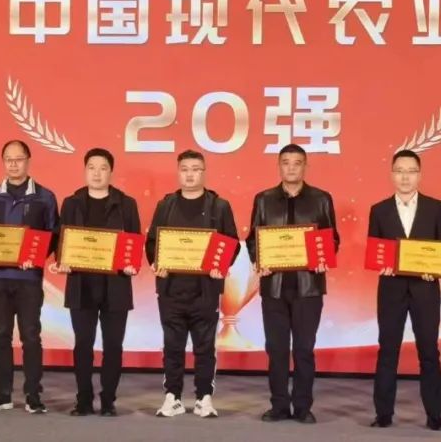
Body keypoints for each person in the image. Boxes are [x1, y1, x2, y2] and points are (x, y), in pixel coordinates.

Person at [247, 144, 340, 424]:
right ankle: (278, 405)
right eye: (286, 162)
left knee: (303, 349)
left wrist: (324, 258)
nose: (291, 168)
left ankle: (302, 406)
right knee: (276, 349)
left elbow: (332, 238)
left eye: (297, 163)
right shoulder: (263, 199)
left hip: (308, 287)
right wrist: (259, 259)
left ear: (304, 166)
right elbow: (253, 239)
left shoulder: (321, 199)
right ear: (279, 166)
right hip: (274, 287)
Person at [145, 150, 240, 418]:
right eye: (185, 169)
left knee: (205, 346)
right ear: (178, 172)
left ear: (204, 172)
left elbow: (232, 244)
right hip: (171, 289)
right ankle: (172, 396)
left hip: (205, 290)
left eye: (196, 169)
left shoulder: (219, 206)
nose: (190, 174)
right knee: (172, 346)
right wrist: (157, 263)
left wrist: (220, 266)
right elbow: (152, 242)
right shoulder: (166, 205)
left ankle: (204, 397)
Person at [49, 148, 140, 417]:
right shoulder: (72, 203)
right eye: (91, 167)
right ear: (85, 170)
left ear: (111, 172)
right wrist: (62, 260)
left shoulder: (126, 204)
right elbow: (61, 239)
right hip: (82, 285)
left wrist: (131, 263)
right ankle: (83, 400)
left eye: (103, 168)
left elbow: (134, 241)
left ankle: (108, 400)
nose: (97, 173)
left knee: (113, 346)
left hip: (116, 286)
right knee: (83, 345)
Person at [368, 149, 441, 431]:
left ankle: (435, 416)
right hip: (391, 289)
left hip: (425, 289)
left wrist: (435, 268)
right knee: (387, 351)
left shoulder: (436, 208)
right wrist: (381, 265)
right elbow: (376, 250)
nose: (405, 177)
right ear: (392, 174)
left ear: (419, 175)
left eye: (411, 171)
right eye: (400, 171)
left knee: (429, 351)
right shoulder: (379, 210)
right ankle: (383, 414)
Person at [0, 140, 58, 414]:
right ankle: (2, 394)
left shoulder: (45, 197)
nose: (13, 164)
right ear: (3, 162)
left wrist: (37, 256)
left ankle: (33, 395)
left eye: (19, 159)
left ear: (28, 160)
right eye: (8, 159)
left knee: (31, 336)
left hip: (29, 279)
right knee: (0, 335)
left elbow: (53, 235)